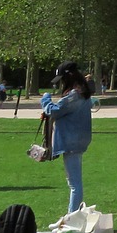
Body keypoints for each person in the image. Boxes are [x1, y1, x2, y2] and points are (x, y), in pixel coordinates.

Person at [41, 61, 95, 213]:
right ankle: (74, 215)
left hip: (71, 141)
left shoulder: (73, 95)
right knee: (74, 183)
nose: (61, 83)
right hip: (78, 140)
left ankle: (72, 217)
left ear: (69, 77)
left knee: (74, 185)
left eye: (62, 80)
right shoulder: (82, 92)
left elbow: (54, 111)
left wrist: (45, 99)